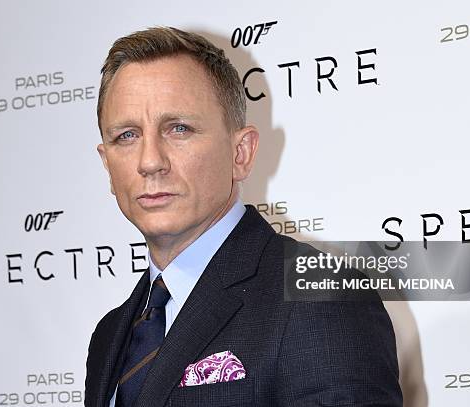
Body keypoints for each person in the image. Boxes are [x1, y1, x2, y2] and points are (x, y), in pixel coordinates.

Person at [85, 26, 402, 407]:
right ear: (107, 165)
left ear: (242, 153)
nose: (150, 161)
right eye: (127, 136)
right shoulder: (110, 335)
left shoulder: (318, 300)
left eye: (178, 128)